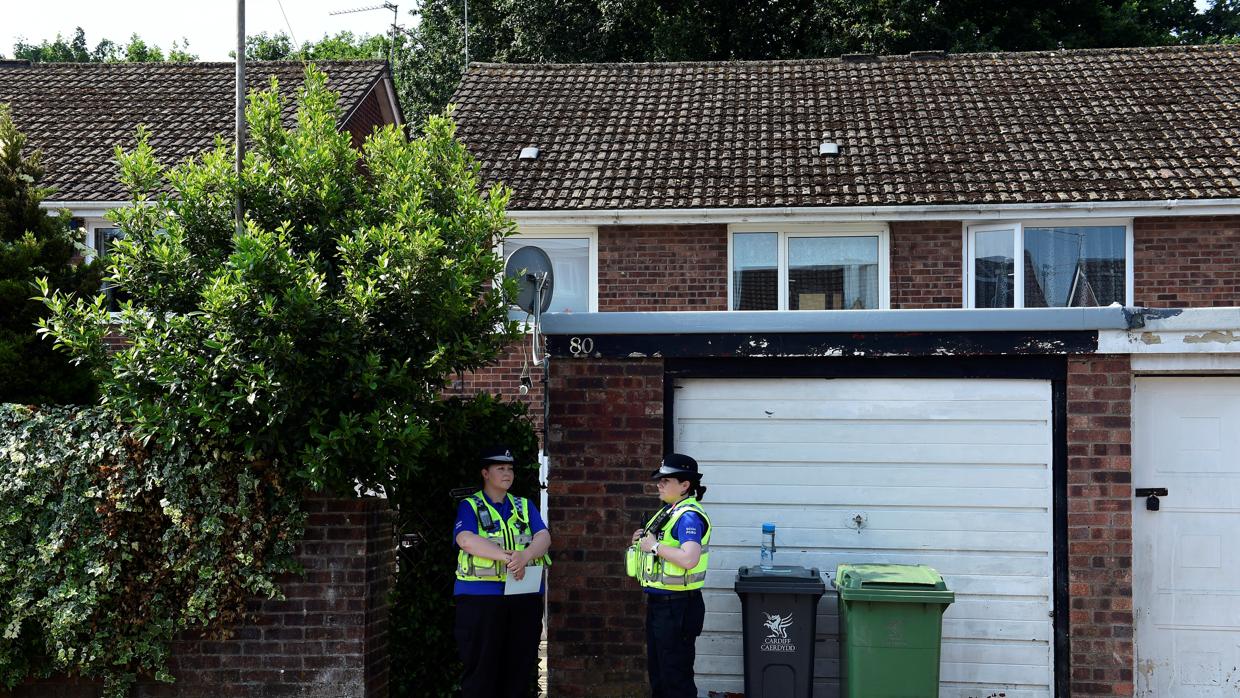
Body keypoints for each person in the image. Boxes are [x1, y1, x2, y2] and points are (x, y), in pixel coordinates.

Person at [453, 446, 552, 698]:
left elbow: (543, 536)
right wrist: (509, 558)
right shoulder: (470, 505)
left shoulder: (524, 505)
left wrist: (525, 555)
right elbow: (466, 539)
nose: (507, 474)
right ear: (485, 473)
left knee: (518, 670)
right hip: (481, 599)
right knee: (481, 671)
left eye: (510, 469)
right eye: (500, 469)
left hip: (523, 596)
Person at [630, 453, 711, 698]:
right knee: (660, 675)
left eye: (666, 480)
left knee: (676, 678)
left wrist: (654, 547)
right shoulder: (669, 512)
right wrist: (641, 541)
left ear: (685, 485)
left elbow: (689, 558)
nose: (659, 484)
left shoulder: (689, 516)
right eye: (660, 480)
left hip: (678, 606)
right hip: (662, 604)